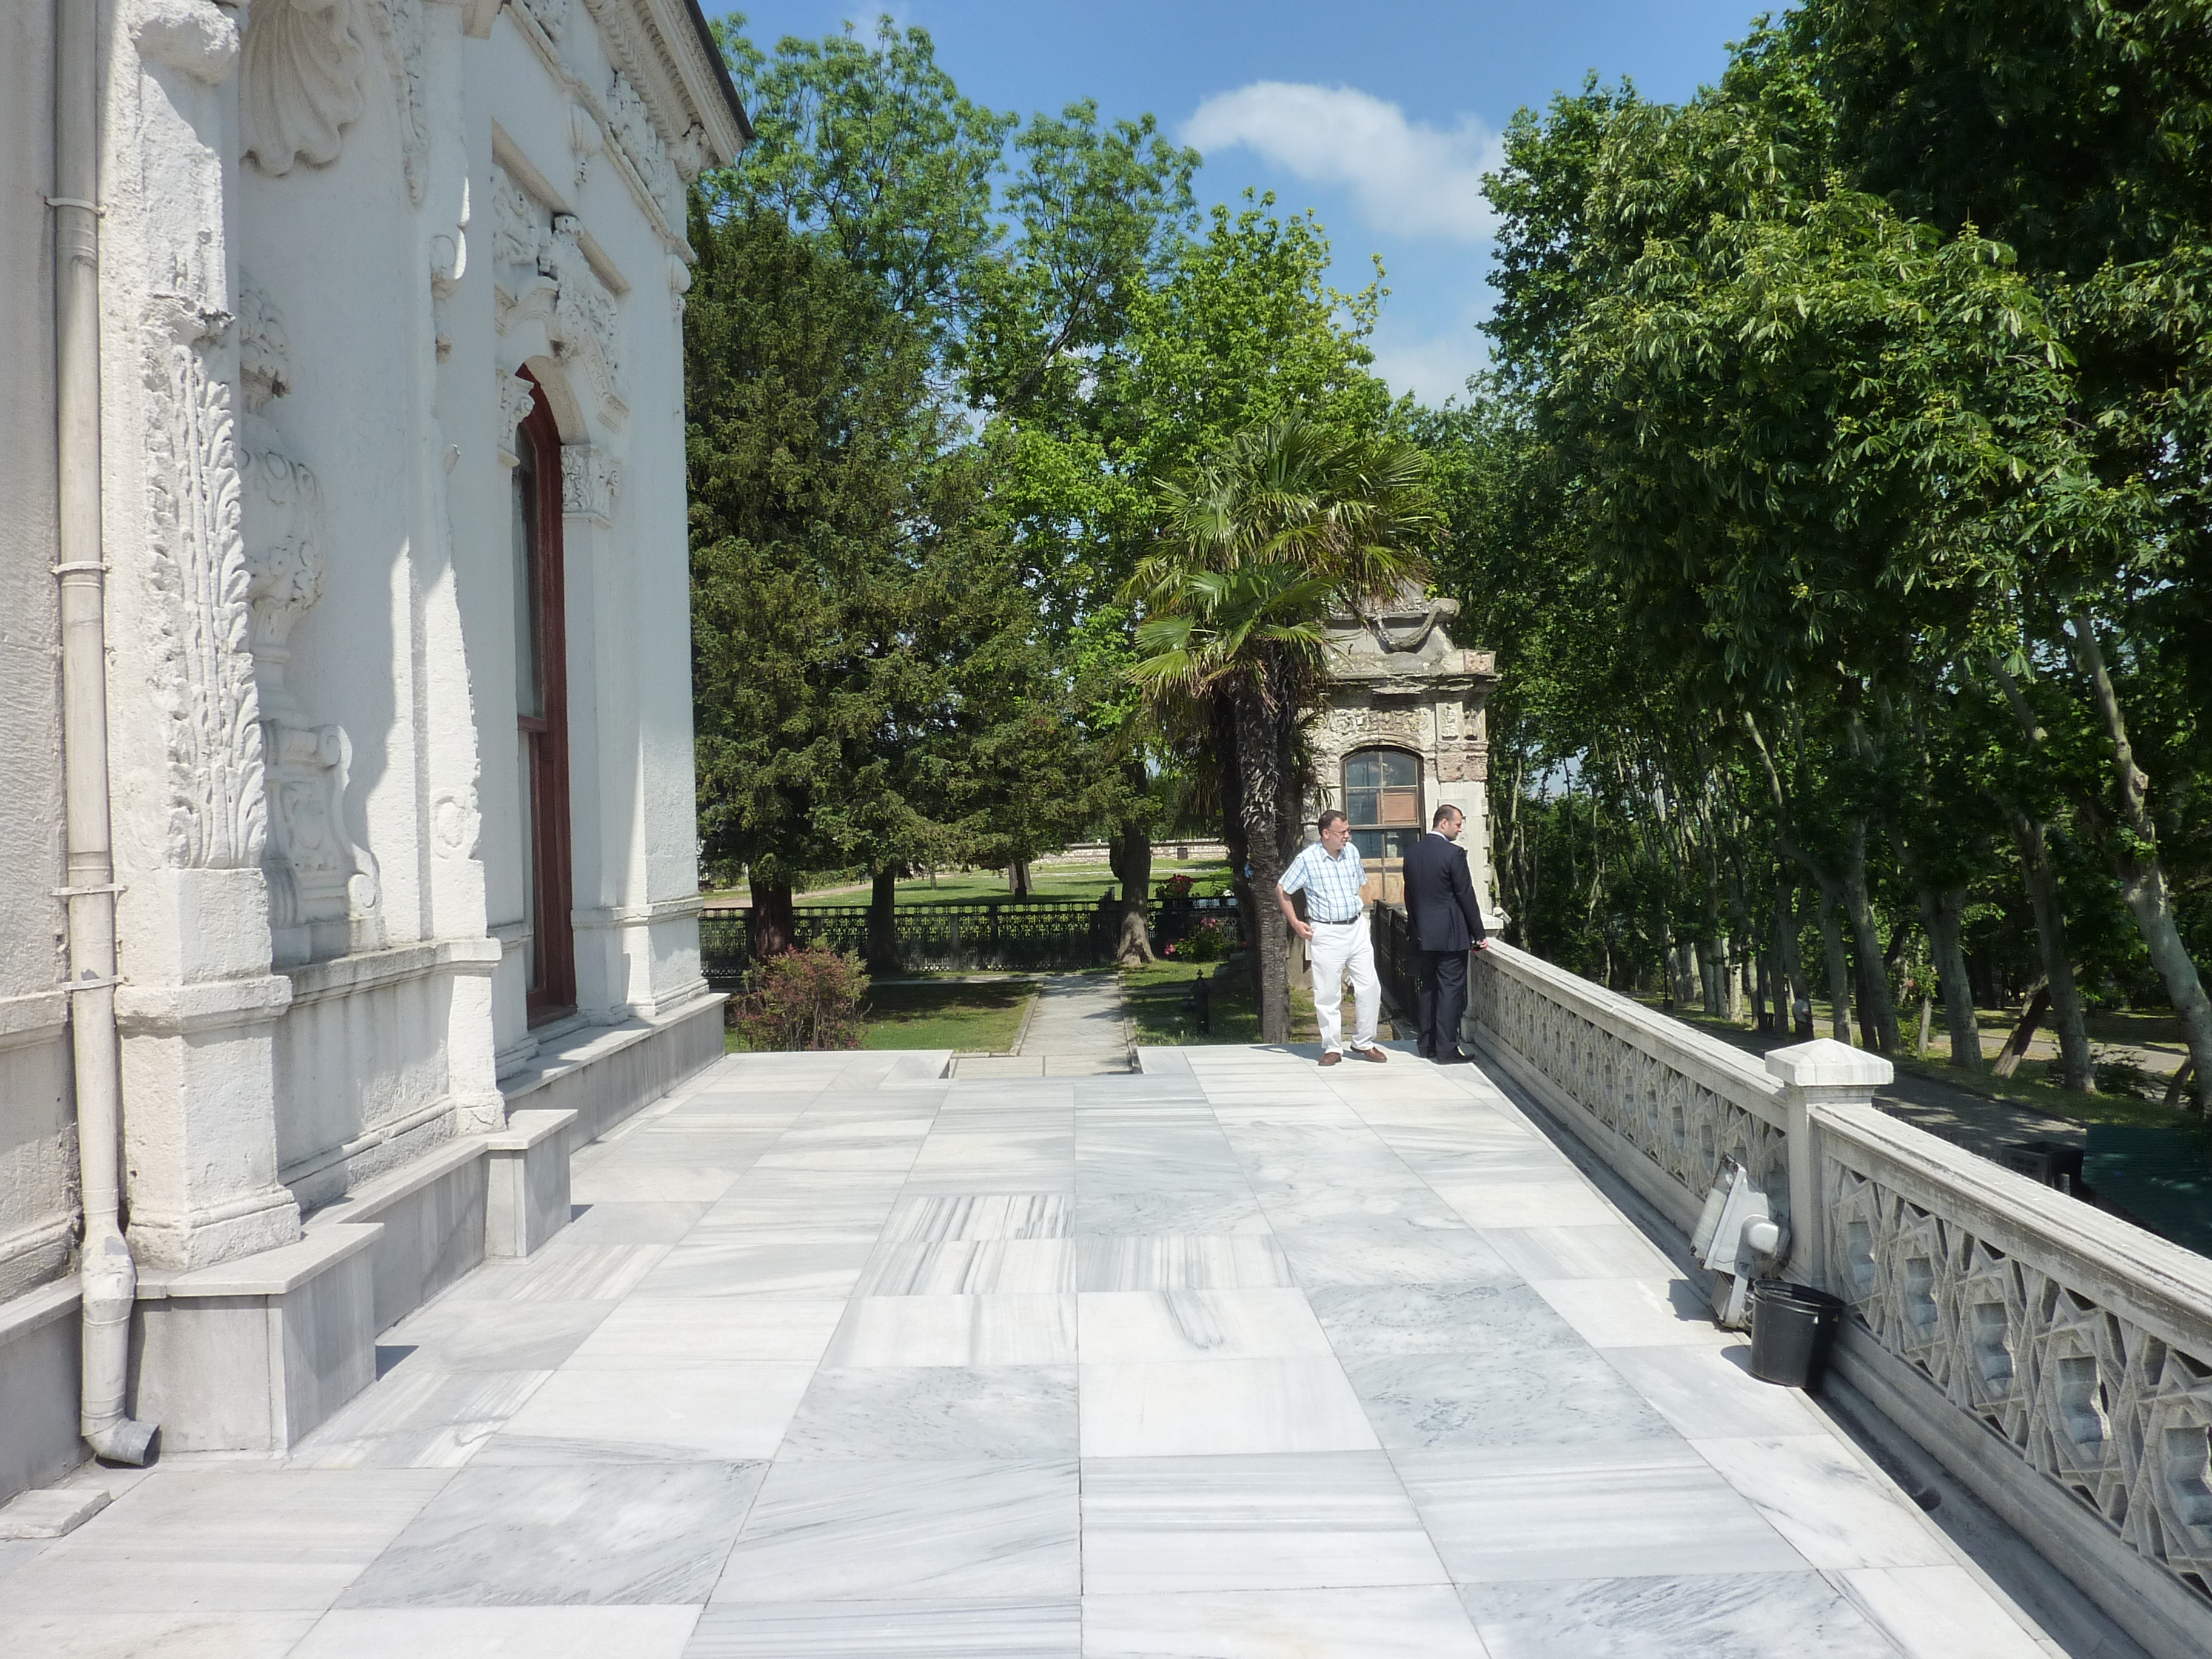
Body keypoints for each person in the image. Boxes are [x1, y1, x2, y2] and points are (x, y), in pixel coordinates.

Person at [1277, 809, 1387, 1066]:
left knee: (1370, 986)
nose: (1347, 836)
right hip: (1326, 931)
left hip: (1356, 928)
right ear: (1326, 834)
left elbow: (1359, 884)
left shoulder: (1353, 854)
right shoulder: (1308, 859)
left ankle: (1364, 1042)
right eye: (1342, 832)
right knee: (1328, 993)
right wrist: (1295, 923)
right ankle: (1333, 1047)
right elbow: (1283, 888)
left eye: (1348, 831)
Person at [1403, 803, 1489, 1063]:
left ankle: (1427, 1045)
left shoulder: (1412, 852)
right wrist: (1479, 933)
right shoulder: (1454, 854)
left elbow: (1409, 895)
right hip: (1451, 936)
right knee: (1450, 991)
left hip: (1423, 935)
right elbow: (1465, 895)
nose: (1460, 829)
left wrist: (1415, 927)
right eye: (1458, 824)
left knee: (1428, 989)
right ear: (1443, 823)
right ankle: (1446, 1050)